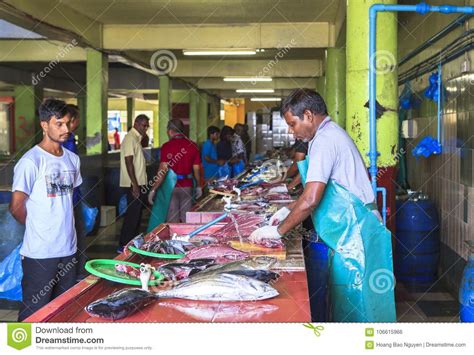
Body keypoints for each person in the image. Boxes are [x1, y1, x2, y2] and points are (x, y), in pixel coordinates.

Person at [250, 89, 396, 322]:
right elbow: (312, 192)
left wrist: (278, 231)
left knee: (358, 310)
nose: (291, 131)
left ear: (308, 115)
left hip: (356, 235)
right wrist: (288, 209)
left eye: (292, 124)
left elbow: (311, 199)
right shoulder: (327, 135)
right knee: (353, 304)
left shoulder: (325, 141)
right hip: (352, 232)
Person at [10, 99, 82, 321]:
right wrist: (39, 227)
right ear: (44, 125)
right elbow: (16, 207)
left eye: (68, 123)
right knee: (34, 313)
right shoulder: (31, 162)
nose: (65, 129)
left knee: (64, 311)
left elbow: (70, 203)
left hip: (68, 250)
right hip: (40, 253)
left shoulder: (73, 159)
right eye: (58, 124)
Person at [148, 119, 201, 223]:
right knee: (187, 220)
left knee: (173, 220)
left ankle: (174, 238)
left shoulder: (166, 147)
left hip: (171, 188)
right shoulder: (193, 145)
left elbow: (162, 171)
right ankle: (186, 238)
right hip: (188, 186)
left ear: (171, 131)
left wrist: (153, 189)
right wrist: (199, 186)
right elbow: (196, 168)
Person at [61, 104, 87, 281]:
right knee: (74, 233)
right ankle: (75, 273)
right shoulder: (65, 141)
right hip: (68, 199)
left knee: (76, 233)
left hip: (73, 196)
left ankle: (77, 270)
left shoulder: (69, 139)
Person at [118, 114, 150, 252]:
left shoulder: (137, 139)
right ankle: (123, 245)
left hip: (138, 183)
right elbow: (128, 162)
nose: (146, 128)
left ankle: (132, 244)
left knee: (136, 215)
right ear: (136, 124)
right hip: (133, 184)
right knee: (132, 216)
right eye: (144, 125)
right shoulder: (130, 138)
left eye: (147, 126)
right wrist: (135, 185)